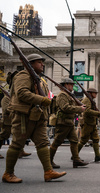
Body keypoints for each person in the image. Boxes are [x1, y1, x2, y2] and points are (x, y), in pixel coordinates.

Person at [2, 54, 66, 183]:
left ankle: (48, 171)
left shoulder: (37, 78)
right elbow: (22, 93)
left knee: (43, 143)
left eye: (42, 62)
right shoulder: (23, 76)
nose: (42, 64)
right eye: (39, 62)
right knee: (17, 144)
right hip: (23, 116)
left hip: (37, 116)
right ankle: (8, 174)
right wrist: (42, 100)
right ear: (30, 64)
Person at [49, 77, 88, 169]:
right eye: (70, 84)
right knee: (57, 142)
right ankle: (49, 161)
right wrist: (79, 108)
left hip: (69, 122)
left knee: (74, 141)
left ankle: (76, 160)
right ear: (65, 85)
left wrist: (79, 108)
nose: (72, 86)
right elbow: (65, 107)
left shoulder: (68, 95)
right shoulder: (62, 95)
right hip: (63, 122)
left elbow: (72, 107)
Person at [0, 71, 31, 159]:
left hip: (15, 120)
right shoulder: (6, 98)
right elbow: (6, 109)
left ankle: (20, 151)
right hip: (8, 121)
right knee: (3, 136)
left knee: (18, 136)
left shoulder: (13, 97)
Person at [77, 88, 100, 162]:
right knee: (83, 140)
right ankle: (75, 155)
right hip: (87, 123)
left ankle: (97, 156)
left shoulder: (90, 100)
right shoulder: (87, 100)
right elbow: (87, 111)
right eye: (95, 93)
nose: (96, 94)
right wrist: (98, 113)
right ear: (90, 93)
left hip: (92, 123)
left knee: (96, 139)